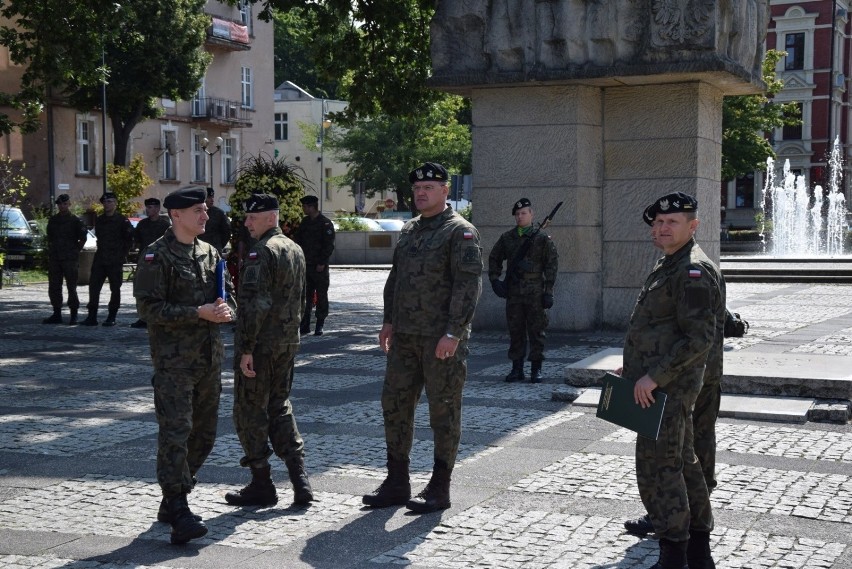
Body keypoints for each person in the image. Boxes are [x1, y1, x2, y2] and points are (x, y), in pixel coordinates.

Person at [362, 162, 482, 514]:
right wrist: (388, 321)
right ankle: (397, 481)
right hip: (405, 338)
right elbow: (396, 278)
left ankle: (439, 487)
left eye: (429, 188)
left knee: (443, 413)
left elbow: (467, 286)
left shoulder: (460, 232)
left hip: (439, 340)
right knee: (394, 406)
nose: (421, 193)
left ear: (446, 191)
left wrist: (453, 333)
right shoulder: (411, 229)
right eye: (417, 189)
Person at [618, 192, 722, 569]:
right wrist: (632, 371)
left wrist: (653, 376)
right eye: (658, 222)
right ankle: (697, 552)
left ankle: (673, 552)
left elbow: (699, 338)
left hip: (668, 388)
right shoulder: (670, 264)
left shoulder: (692, 270)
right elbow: (662, 329)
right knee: (685, 465)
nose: (662, 228)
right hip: (654, 384)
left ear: (693, 226)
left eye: (672, 222)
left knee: (660, 469)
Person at [133, 185, 236, 545]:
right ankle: (178, 508)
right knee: (176, 434)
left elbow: (229, 298)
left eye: (206, 210)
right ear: (176, 215)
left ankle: (173, 496)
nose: (206, 216)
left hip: (209, 361)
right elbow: (147, 308)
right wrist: (197, 313)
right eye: (199, 211)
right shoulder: (155, 256)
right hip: (174, 363)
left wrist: (225, 311)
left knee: (204, 436)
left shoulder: (211, 253)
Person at [225, 193, 314, 507]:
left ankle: (262, 483)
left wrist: (246, 347)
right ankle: (300, 481)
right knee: (279, 407)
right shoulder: (295, 249)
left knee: (249, 411)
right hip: (287, 342)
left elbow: (255, 304)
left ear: (270, 217)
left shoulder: (260, 253)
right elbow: (303, 299)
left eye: (252, 217)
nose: (247, 223)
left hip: (261, 344)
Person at [488, 197, 558, 383]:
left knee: (537, 331)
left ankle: (536, 369)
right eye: (517, 214)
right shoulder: (507, 238)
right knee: (515, 330)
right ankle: (516, 368)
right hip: (514, 292)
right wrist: (495, 280)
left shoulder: (541, 238)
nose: (520, 216)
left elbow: (551, 266)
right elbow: (494, 258)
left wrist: (548, 291)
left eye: (524, 213)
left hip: (535, 291)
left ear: (531, 214)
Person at [81, 192, 133, 327]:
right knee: (94, 288)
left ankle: (112, 316)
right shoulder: (99, 219)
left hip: (115, 260)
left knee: (115, 289)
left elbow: (129, 240)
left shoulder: (122, 220)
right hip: (100, 259)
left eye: (110, 201)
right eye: (105, 202)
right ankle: (92, 316)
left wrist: (122, 255)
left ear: (115, 203)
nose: (107, 204)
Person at [42, 193, 88, 325]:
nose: (62, 206)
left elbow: (83, 238)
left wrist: (75, 251)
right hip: (55, 258)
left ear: (69, 204)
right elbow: (50, 238)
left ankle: (74, 314)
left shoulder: (75, 220)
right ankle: (57, 313)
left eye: (64, 204)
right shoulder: (53, 220)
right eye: (60, 204)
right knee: (54, 286)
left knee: (71, 286)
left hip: (70, 259)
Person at [293, 195, 335, 336]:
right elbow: (298, 242)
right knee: (306, 296)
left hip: (319, 267)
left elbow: (328, 246)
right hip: (306, 265)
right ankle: (305, 324)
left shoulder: (325, 224)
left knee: (321, 295)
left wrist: (322, 262)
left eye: (305, 206)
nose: (303, 209)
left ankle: (320, 323)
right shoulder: (304, 223)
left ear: (312, 207)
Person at [130, 197, 171, 329]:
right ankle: (143, 317)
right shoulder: (142, 224)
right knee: (141, 290)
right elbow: (136, 242)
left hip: (160, 262)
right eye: (147, 207)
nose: (149, 210)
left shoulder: (165, 226)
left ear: (158, 209)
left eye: (152, 207)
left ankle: (159, 315)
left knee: (159, 290)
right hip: (144, 262)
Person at [198, 187, 232, 253]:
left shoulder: (219, 213)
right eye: (209, 197)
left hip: (215, 249)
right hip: (199, 249)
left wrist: (219, 244)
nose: (212, 200)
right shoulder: (196, 213)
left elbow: (227, 231)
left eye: (213, 197)